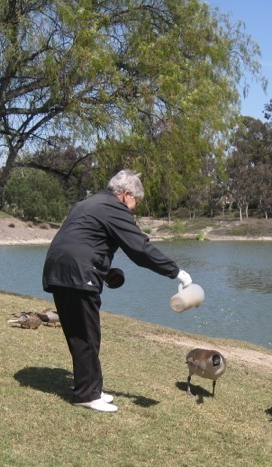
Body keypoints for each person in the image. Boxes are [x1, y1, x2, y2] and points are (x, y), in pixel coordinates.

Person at [42, 169, 193, 413]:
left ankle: (91, 388)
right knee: (86, 334)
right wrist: (175, 272)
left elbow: (83, 241)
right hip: (77, 273)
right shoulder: (113, 207)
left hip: (58, 270)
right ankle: (87, 395)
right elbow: (140, 248)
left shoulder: (87, 203)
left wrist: (103, 271)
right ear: (125, 195)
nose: (134, 208)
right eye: (136, 202)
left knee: (80, 333)